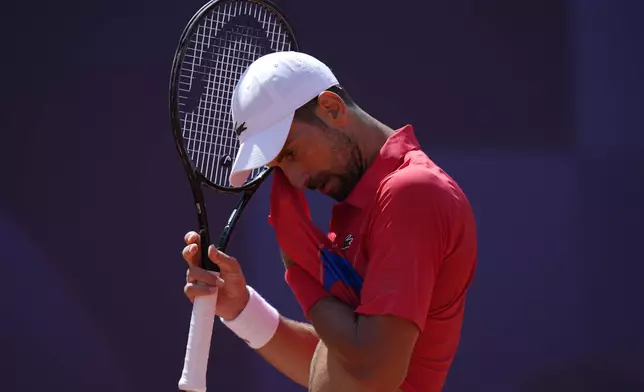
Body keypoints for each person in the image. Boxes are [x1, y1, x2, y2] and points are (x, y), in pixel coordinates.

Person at [182, 51, 477, 392]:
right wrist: (242, 309)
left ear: (332, 108)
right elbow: (338, 366)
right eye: (278, 166)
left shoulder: (411, 193)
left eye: (290, 152)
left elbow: (372, 369)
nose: (294, 179)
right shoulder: (360, 207)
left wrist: (298, 268)